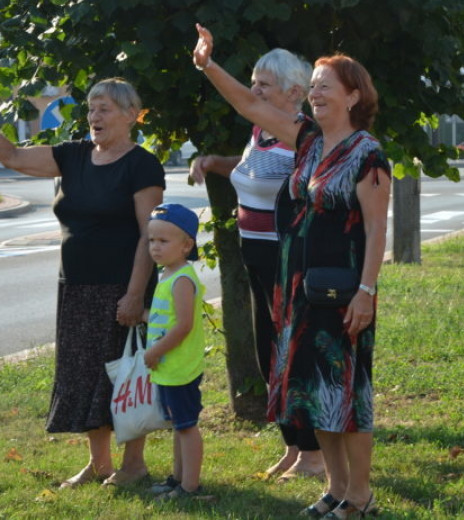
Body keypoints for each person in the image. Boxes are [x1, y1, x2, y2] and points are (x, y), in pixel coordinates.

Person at [192, 25, 390, 519]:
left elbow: (377, 228)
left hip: (345, 291)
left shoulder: (367, 152)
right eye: (315, 84)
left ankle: (360, 496)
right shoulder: (306, 141)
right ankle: (336, 487)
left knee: (347, 392)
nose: (317, 93)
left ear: (353, 95)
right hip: (300, 288)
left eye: (326, 85)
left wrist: (366, 291)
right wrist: (208, 66)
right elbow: (249, 106)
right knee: (311, 388)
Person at [0, 78, 164, 488]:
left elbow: (150, 234)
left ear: (130, 114)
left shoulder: (142, 164)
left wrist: (134, 293)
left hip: (121, 287)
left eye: (105, 108)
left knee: (125, 373)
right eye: (91, 108)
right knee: (85, 373)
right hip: (75, 287)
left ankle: (134, 464)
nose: (94, 116)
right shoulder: (72, 155)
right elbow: (15, 155)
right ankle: (99, 463)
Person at [189, 48, 325, 480]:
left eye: (263, 84)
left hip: (290, 259)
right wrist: (214, 163)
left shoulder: (300, 133)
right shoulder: (261, 133)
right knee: (269, 355)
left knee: (294, 354)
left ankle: (315, 454)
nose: (254, 91)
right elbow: (252, 171)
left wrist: (209, 65)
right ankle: (292, 445)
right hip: (258, 258)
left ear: (294, 93)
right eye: (254, 81)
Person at [144, 203, 206, 501]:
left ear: (186, 245)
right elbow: (165, 317)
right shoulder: (167, 273)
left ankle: (190, 486)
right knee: (178, 426)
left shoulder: (182, 279)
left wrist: (154, 352)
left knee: (186, 427)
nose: (155, 247)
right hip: (169, 368)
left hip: (179, 366)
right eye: (151, 240)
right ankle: (178, 479)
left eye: (163, 241)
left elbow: (182, 326)